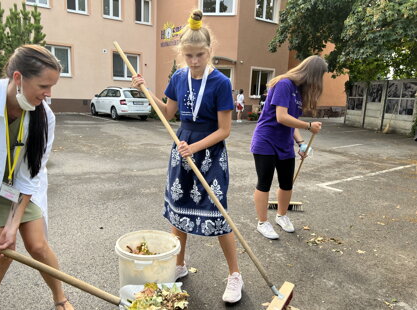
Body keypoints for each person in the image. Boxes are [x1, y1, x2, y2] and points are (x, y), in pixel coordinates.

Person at [132, 9, 243, 303]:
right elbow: (168, 113)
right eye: (189, 55)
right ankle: (178, 265)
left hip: (209, 154)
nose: (194, 61)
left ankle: (235, 275)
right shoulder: (179, 77)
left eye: (200, 55)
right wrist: (145, 90)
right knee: (179, 211)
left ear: (210, 51)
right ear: (182, 54)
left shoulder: (220, 82)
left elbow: (224, 130)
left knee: (217, 212)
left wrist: (195, 147)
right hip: (181, 150)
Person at [0, 45, 74, 310]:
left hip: (18, 189)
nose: (48, 94)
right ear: (18, 78)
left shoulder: (44, 117)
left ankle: (60, 299)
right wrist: (6, 230)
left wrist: (13, 222)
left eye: (52, 87)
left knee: (38, 246)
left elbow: (32, 173)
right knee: (2, 255)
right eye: (43, 85)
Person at [251, 55, 326, 240]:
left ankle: (281, 216)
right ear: (312, 74)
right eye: (319, 77)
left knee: (286, 183)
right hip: (266, 142)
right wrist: (309, 126)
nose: (319, 82)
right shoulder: (284, 84)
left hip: (284, 144)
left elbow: (290, 124)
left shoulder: (298, 92)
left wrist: (301, 143)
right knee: (264, 183)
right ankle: (262, 222)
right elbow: (281, 117)